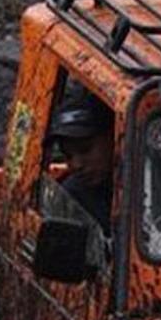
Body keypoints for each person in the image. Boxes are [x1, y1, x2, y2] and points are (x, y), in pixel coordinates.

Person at [48, 87, 114, 227]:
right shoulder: (71, 199)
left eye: (85, 150)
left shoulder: (150, 182)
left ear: (114, 137)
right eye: (67, 155)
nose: (76, 165)